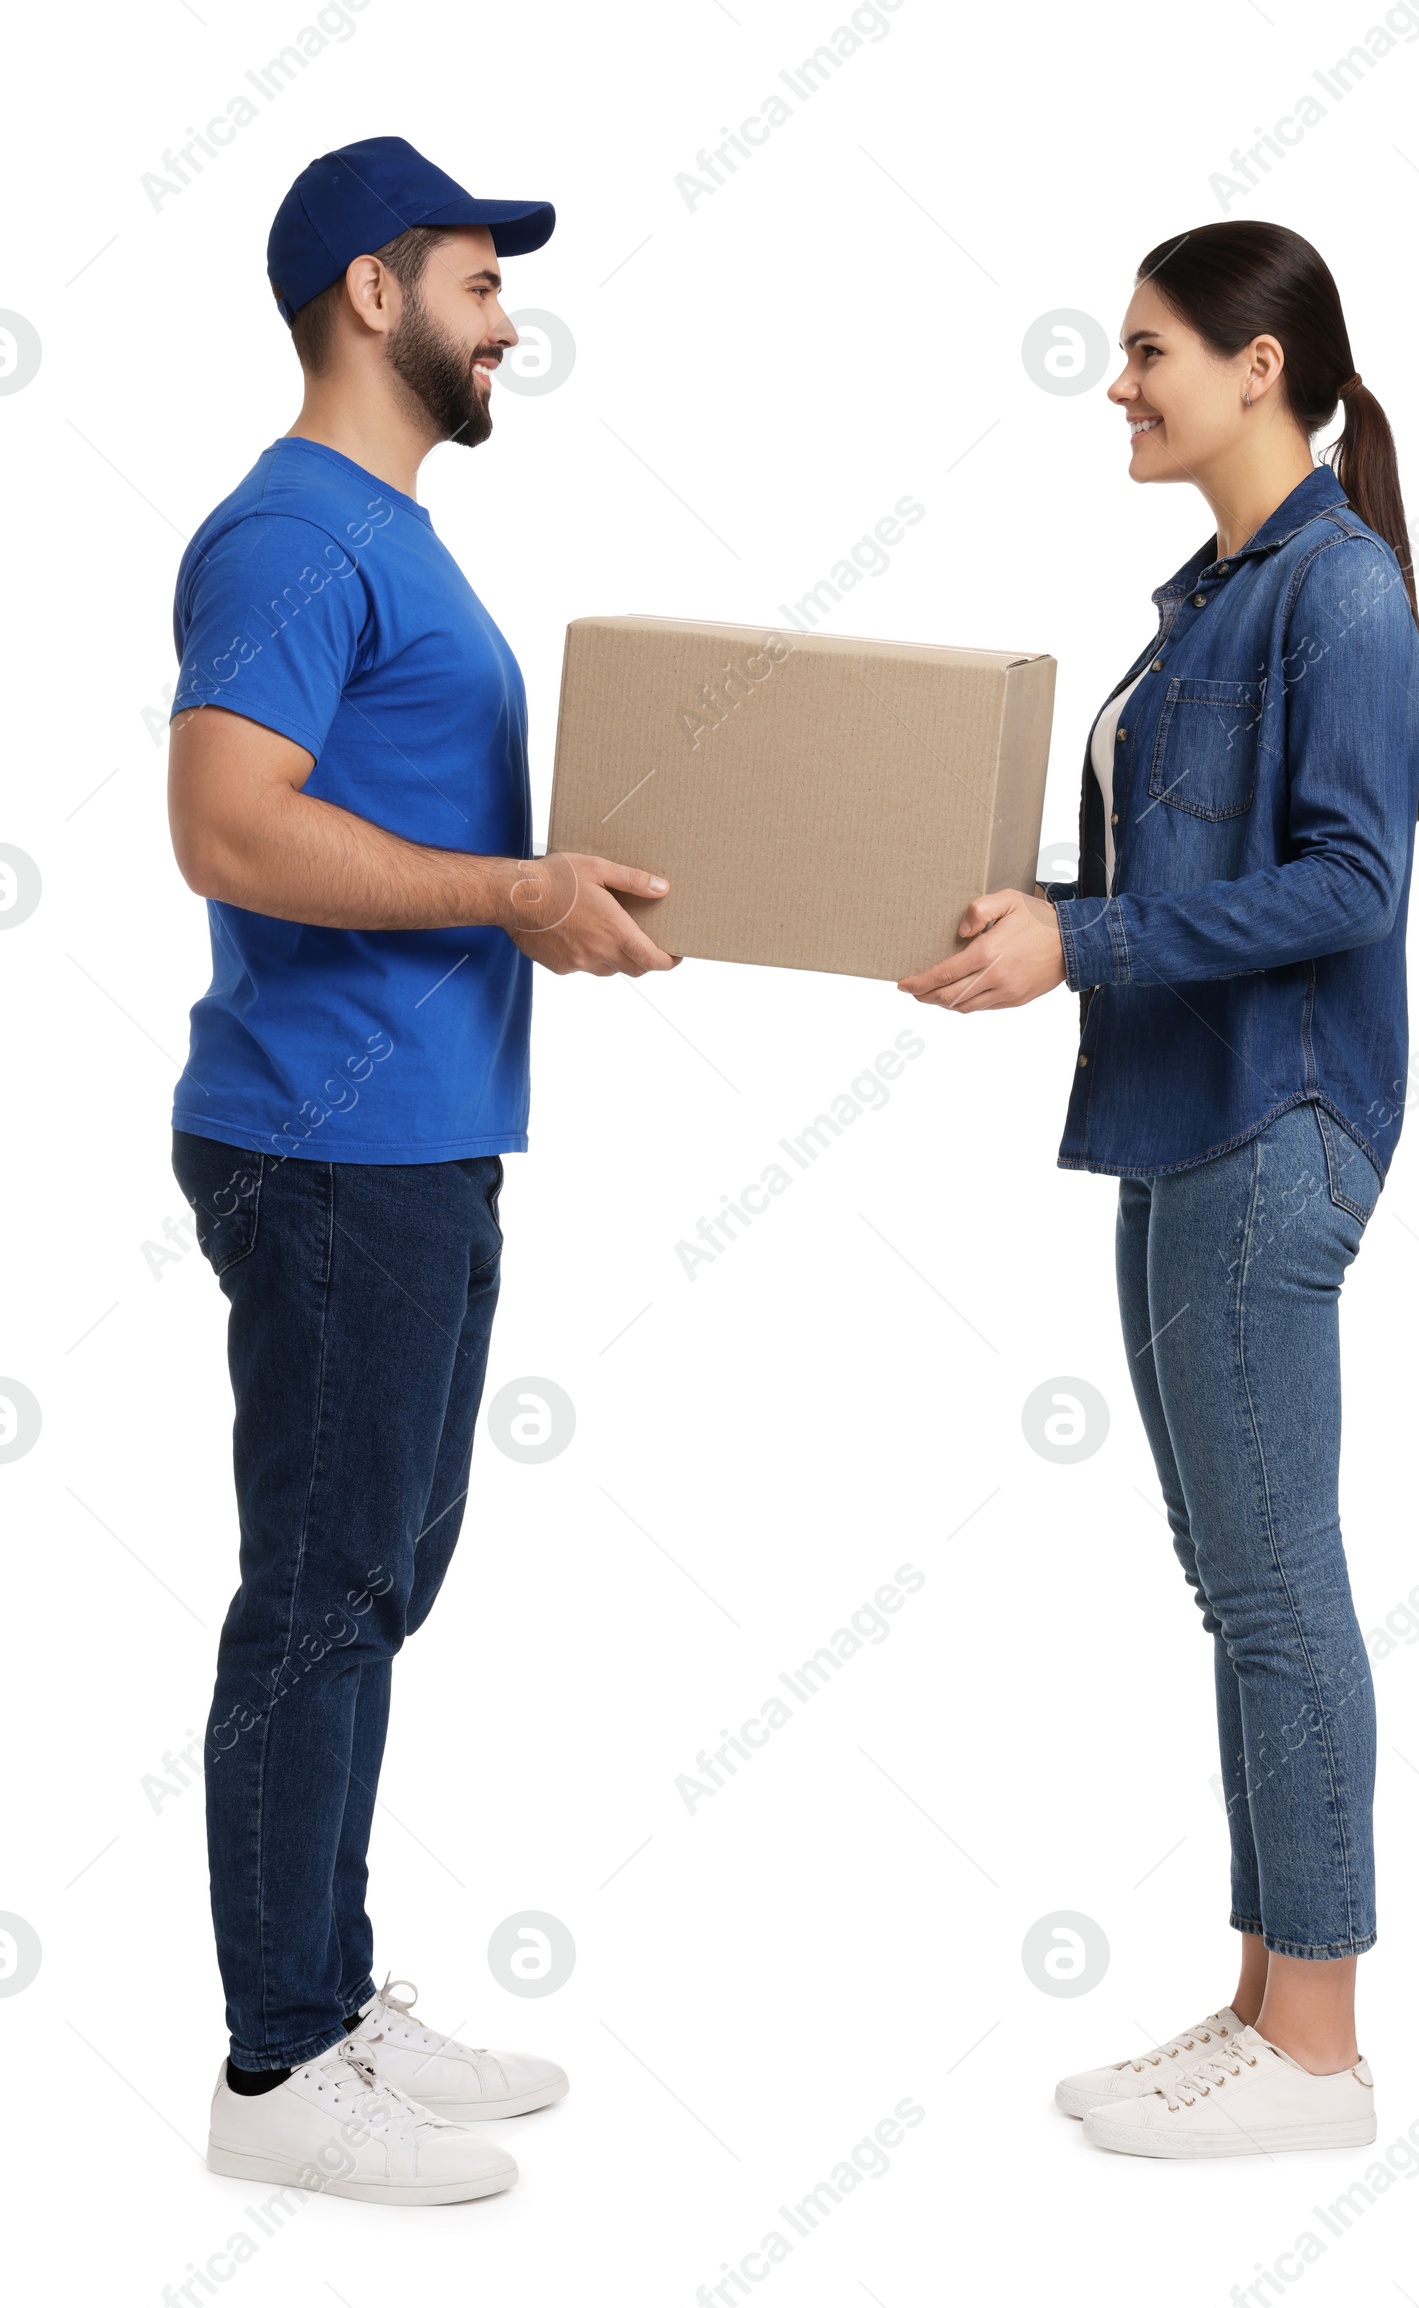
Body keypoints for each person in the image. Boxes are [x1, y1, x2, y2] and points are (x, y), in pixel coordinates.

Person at [168, 136, 677, 2207]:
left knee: (372, 1585)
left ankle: (331, 1985)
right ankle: (279, 2063)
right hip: (326, 1140)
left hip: (415, 1138)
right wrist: (510, 887)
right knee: (318, 1596)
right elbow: (227, 826)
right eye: (478, 278)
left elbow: (427, 831)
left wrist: (589, 877)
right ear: (372, 293)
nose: (506, 315)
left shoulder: (388, 531)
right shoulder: (291, 534)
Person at [901, 221, 1419, 2158]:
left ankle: (1314, 2051)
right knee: (1236, 1585)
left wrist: (1086, 939)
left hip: (1265, 1121)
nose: (1116, 383)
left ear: (1260, 367)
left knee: (1276, 1583)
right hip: (1177, 1113)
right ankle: (1260, 2000)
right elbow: (1184, 862)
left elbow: (1347, 881)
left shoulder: (1336, 592)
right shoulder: (1215, 595)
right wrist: (1018, 911)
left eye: (1145, 350)